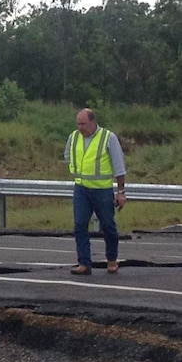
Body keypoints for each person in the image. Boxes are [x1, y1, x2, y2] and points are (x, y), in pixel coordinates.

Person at [64, 108, 127, 275]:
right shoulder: (74, 137)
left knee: (107, 225)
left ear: (93, 122)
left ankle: (112, 259)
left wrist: (121, 191)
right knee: (79, 225)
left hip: (102, 190)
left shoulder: (108, 138)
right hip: (81, 189)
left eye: (83, 124)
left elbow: (119, 168)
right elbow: (68, 158)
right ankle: (84, 263)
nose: (80, 127)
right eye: (78, 124)